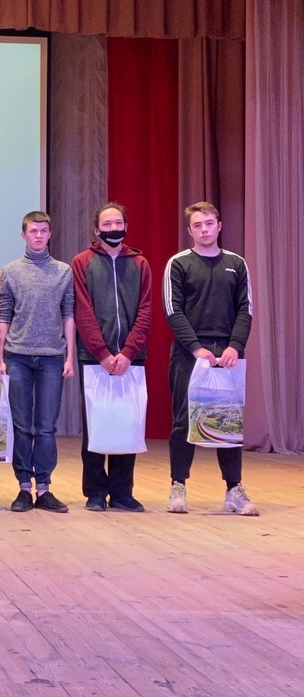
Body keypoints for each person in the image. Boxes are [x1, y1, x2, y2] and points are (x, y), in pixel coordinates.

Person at [163, 201, 258, 515]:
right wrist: (196, 348)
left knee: (228, 422)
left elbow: (245, 309)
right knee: (183, 421)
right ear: (189, 230)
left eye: (208, 223)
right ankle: (178, 486)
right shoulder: (178, 263)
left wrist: (234, 346)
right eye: (197, 225)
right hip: (190, 354)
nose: (204, 229)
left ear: (219, 226)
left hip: (228, 354)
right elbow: (173, 310)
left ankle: (234, 489)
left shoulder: (236, 263)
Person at [71, 202, 152, 512]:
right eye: (107, 224)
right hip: (94, 358)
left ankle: (122, 493)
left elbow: (145, 311)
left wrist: (128, 352)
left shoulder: (140, 263)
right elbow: (83, 311)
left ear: (126, 226)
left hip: (132, 359)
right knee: (96, 424)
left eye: (118, 222)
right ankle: (94, 492)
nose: (113, 228)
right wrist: (104, 353)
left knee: (126, 423)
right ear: (96, 230)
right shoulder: (82, 262)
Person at [0, 210, 74, 513]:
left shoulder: (63, 271)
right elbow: (4, 315)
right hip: (17, 356)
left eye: (43, 230)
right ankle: (23, 488)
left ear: (50, 234)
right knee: (21, 426)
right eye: (33, 231)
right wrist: (1, 356)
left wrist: (70, 356)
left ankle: (44, 488)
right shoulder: (10, 271)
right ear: (24, 235)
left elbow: (69, 315)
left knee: (45, 427)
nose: (39, 235)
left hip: (52, 357)